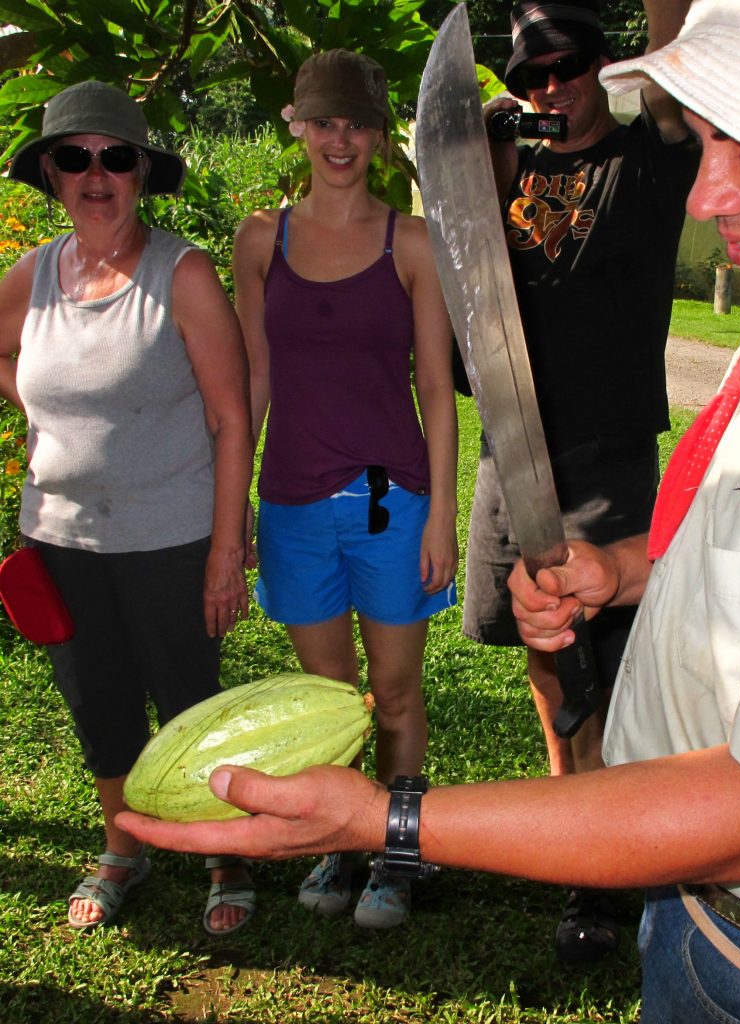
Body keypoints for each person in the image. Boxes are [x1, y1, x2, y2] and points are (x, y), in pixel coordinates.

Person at [119, 0, 740, 1018]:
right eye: (711, 138)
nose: (706, 194)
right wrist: (631, 568)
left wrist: (388, 818)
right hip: (704, 916)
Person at [462, 0, 698, 963]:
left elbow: (678, 65)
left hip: (604, 450)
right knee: (541, 645)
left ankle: (612, 860)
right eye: (529, 78)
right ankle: (575, 813)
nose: (548, 89)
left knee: (607, 652)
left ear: (605, 66)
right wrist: (490, 152)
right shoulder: (509, 164)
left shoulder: (649, 159)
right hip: (510, 447)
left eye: (565, 69)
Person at [0, 81, 255, 934]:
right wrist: (33, 404)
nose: (95, 174)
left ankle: (224, 853)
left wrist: (226, 550)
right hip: (57, 537)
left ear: (141, 172)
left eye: (115, 157)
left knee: (189, 701)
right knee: (99, 703)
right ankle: (125, 849)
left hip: (169, 538)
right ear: (51, 175)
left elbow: (231, 417)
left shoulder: (180, 273)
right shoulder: (32, 276)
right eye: (75, 158)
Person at [231, 49, 458, 930]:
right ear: (298, 126)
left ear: (378, 137)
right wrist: (240, 506)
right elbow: (255, 377)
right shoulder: (261, 240)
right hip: (291, 502)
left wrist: (440, 510)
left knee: (397, 692)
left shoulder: (412, 241)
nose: (340, 139)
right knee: (329, 703)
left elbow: (435, 386)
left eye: (357, 124)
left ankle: (396, 852)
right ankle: (340, 840)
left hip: (387, 503)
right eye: (324, 121)